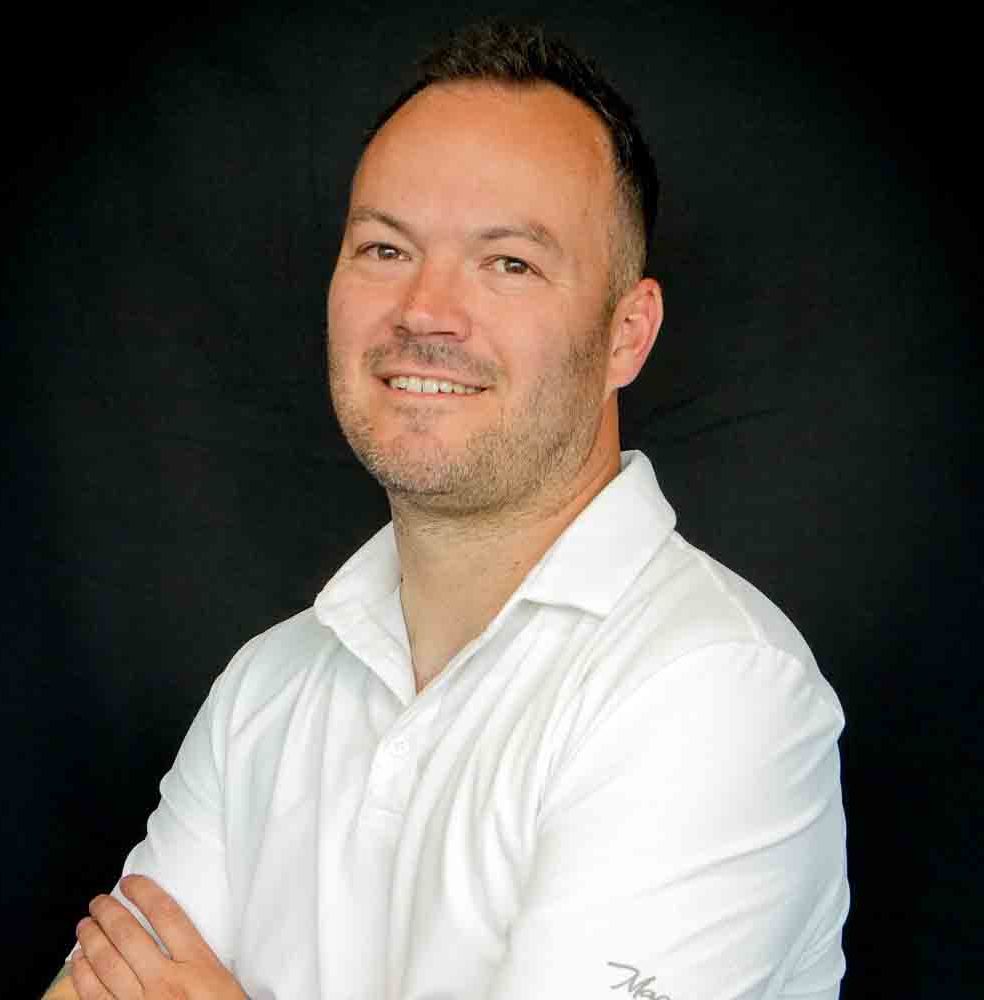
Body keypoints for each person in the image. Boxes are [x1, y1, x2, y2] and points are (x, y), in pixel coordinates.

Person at [45, 20, 849, 1000]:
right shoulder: (265, 689)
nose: (425, 311)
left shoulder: (713, 688)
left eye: (507, 262)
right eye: (386, 247)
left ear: (626, 335)